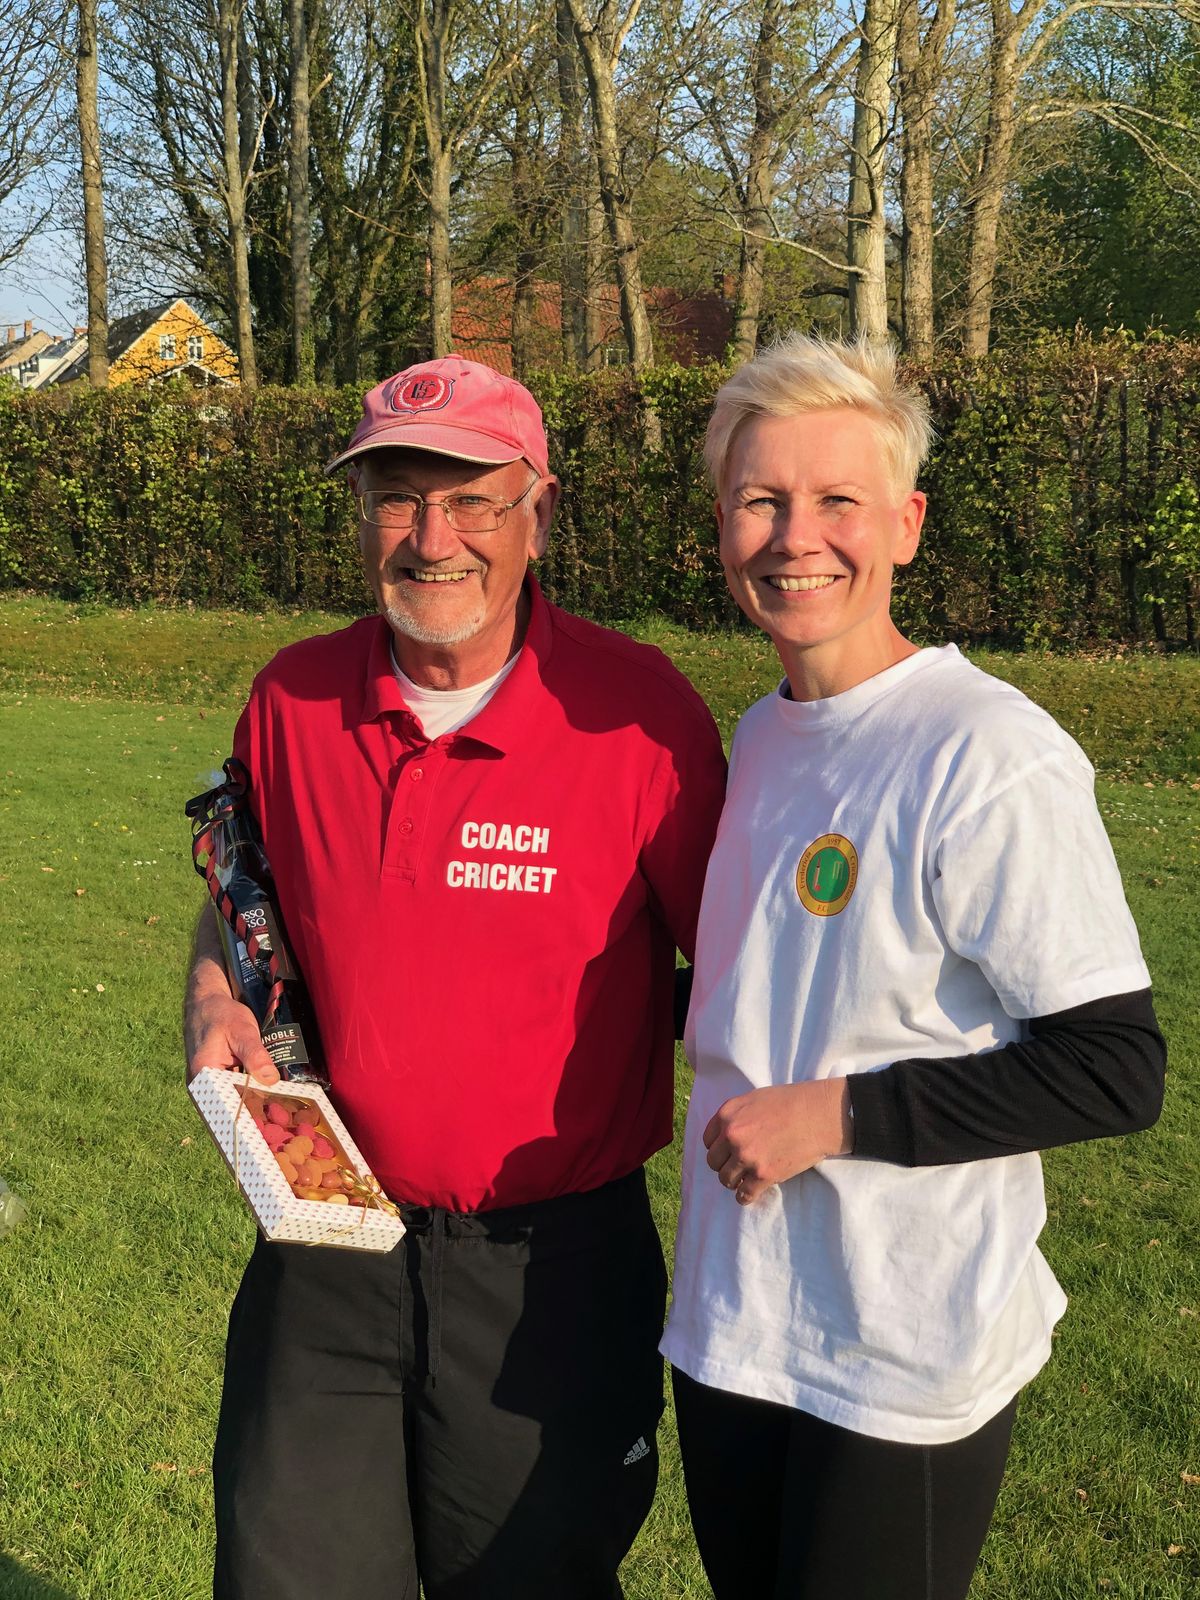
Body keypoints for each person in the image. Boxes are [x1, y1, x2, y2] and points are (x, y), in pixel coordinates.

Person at [183, 356, 726, 1600]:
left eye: (472, 498)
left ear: (539, 508)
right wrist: (216, 990)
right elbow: (241, 906)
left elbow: (752, 988)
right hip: (326, 1244)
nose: (434, 539)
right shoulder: (291, 701)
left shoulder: (640, 721)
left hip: (551, 1276)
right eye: (395, 496)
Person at [660, 335, 1166, 1600]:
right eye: (761, 500)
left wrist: (837, 1113)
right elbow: (784, 989)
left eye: (837, 501)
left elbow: (1116, 1069)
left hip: (899, 1352)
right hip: (734, 1324)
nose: (795, 537)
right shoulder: (762, 735)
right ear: (722, 524)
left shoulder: (988, 751)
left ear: (907, 523)